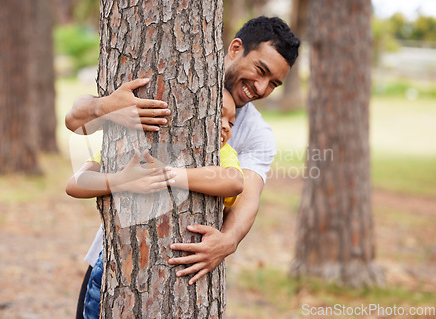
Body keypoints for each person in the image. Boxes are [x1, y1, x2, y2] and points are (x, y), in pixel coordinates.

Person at [67, 16, 300, 319]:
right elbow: (76, 123)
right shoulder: (173, 79)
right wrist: (106, 107)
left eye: (274, 83)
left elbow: (247, 193)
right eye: (261, 70)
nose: (261, 87)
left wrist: (227, 242)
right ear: (235, 48)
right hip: (115, 259)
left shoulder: (256, 134)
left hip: (184, 277)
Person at [68, 90, 244, 318]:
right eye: (218, 115)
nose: (226, 126)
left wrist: (172, 176)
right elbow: (75, 184)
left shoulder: (221, 153)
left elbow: (234, 182)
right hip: (116, 265)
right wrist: (121, 181)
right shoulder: (126, 142)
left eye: (231, 121)